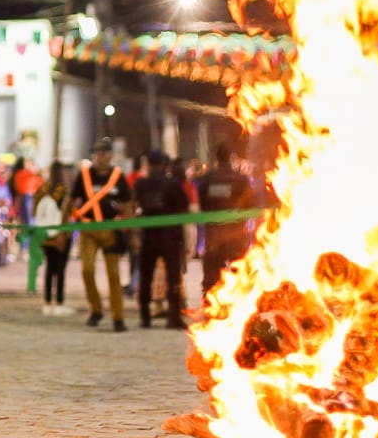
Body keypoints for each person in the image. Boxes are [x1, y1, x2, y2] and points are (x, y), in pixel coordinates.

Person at [71, 138, 132, 333]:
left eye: (103, 153)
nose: (100, 157)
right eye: (97, 153)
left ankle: (118, 317)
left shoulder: (118, 176)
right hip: (88, 230)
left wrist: (130, 229)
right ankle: (96, 308)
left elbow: (128, 203)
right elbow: (72, 199)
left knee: (114, 276)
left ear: (110, 156)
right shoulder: (84, 175)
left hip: (111, 231)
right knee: (87, 271)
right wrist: (66, 225)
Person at [133, 149, 189, 330]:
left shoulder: (140, 184)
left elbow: (136, 206)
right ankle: (173, 316)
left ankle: (145, 316)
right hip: (170, 237)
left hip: (148, 235)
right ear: (165, 165)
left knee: (146, 277)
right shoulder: (173, 184)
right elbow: (184, 208)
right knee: (173, 278)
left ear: (148, 164)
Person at [197, 143, 257, 300]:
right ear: (231, 157)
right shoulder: (240, 180)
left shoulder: (207, 180)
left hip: (214, 233)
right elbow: (251, 204)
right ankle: (240, 302)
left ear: (216, 158)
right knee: (239, 268)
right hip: (236, 232)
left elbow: (201, 204)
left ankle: (210, 303)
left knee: (211, 270)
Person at [33, 164, 73, 316]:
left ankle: (48, 301)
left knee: (50, 269)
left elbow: (35, 212)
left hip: (46, 236)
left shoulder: (42, 191)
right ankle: (59, 302)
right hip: (62, 235)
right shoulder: (67, 192)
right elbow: (71, 213)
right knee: (61, 270)